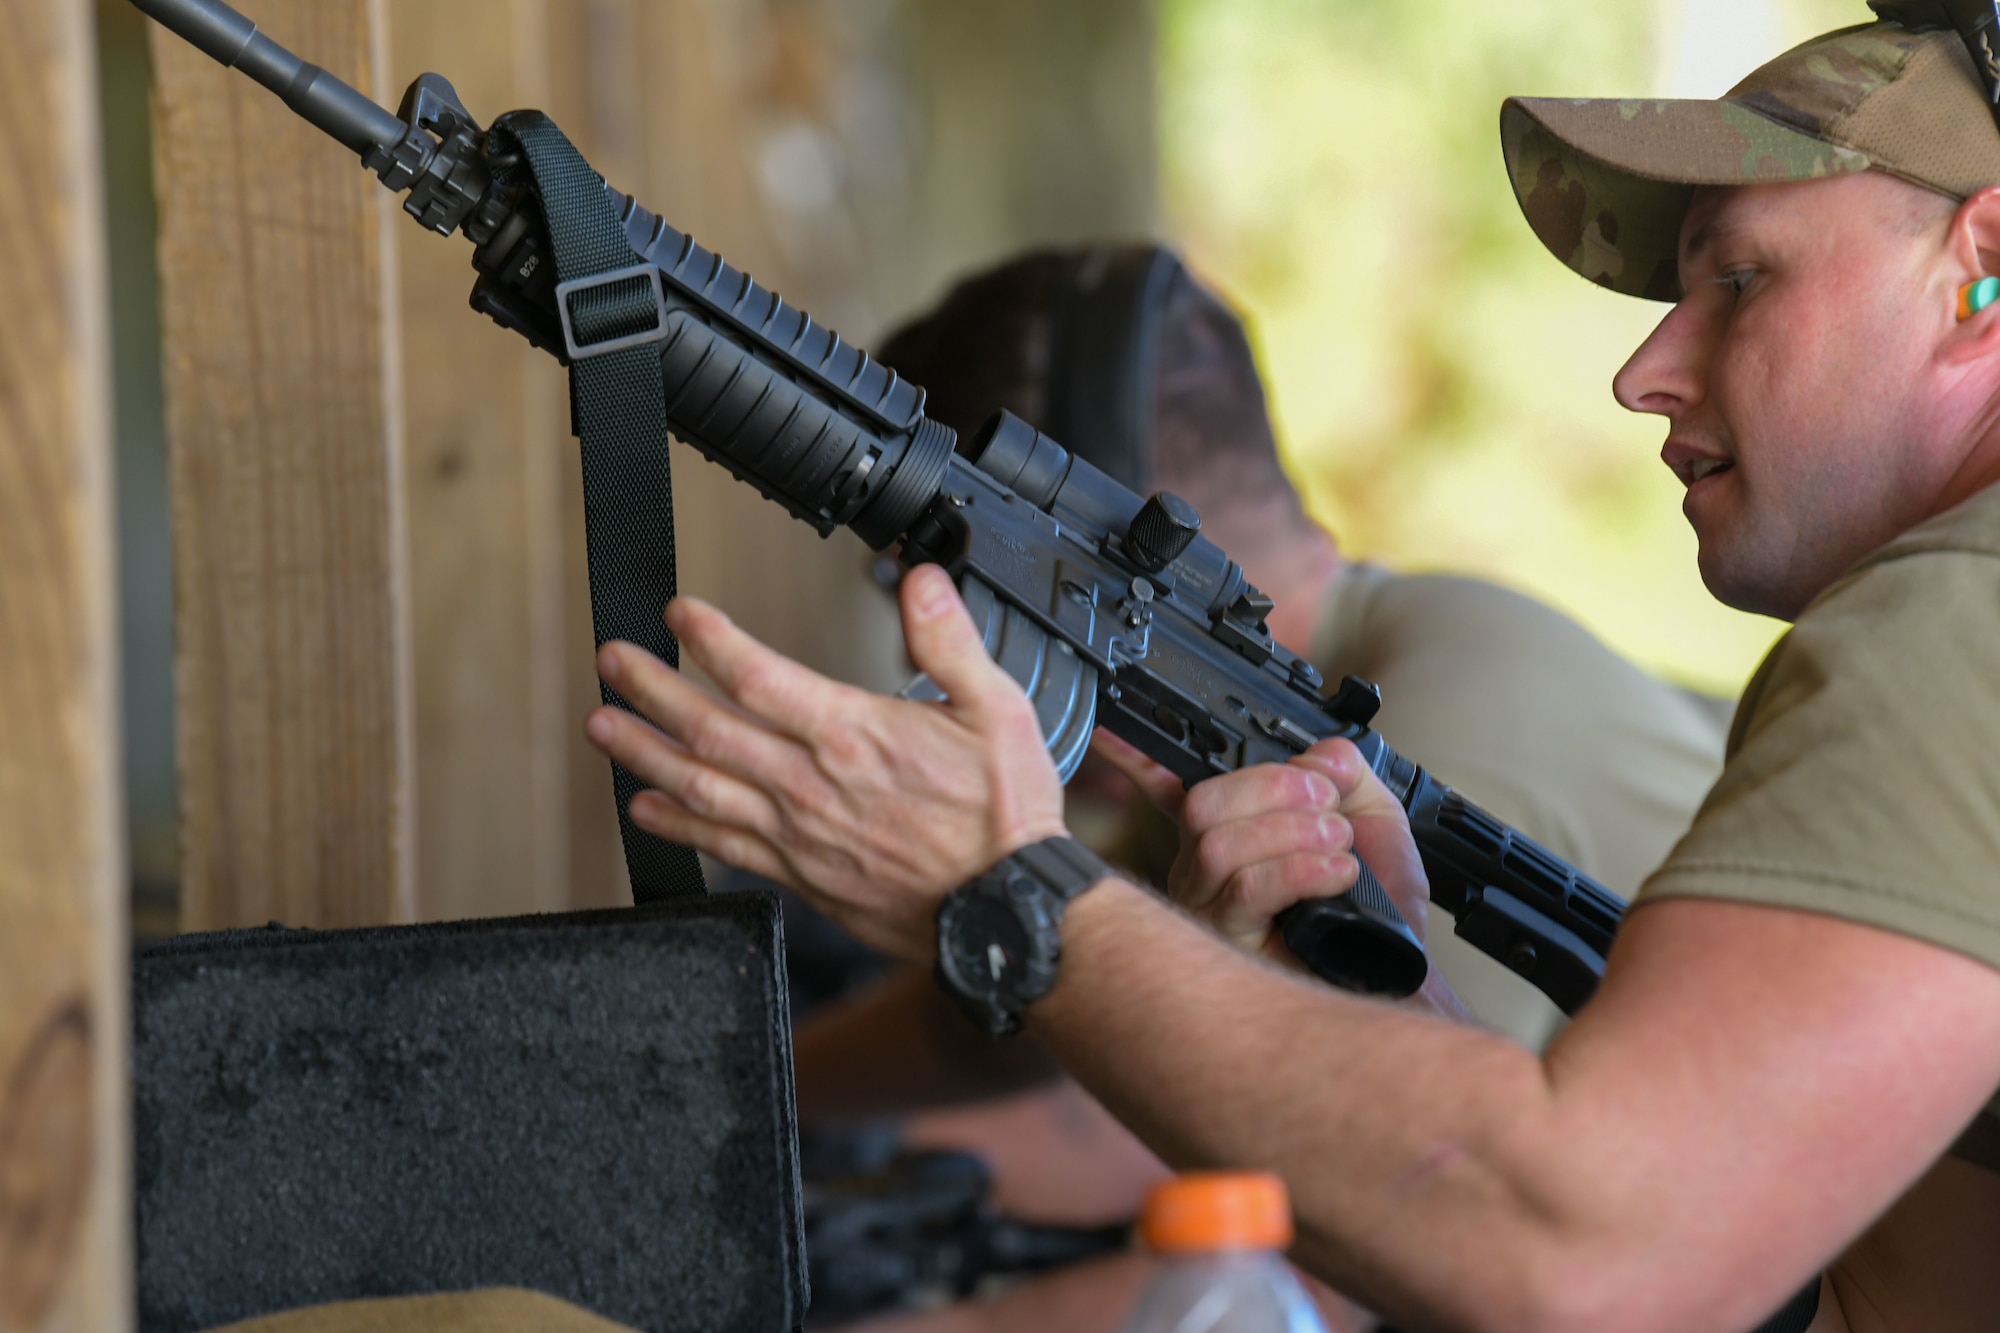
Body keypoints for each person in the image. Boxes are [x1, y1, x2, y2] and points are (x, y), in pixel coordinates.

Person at [588, 15, 2000, 1330]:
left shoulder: (1954, 617)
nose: (1642, 372)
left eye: (1739, 278)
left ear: (1978, 266)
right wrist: (1388, 1023)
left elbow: (1577, 1250)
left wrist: (1013, 893)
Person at [784, 247, 1728, 1317]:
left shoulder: (1429, 760)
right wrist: (750, 1082)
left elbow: (1296, 1285)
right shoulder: (1241, 716)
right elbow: (1027, 992)